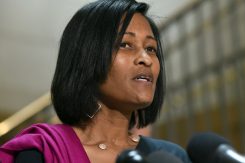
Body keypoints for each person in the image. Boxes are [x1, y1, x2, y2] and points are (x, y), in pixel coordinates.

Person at [0, 0, 191, 163]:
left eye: (151, 49)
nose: (146, 59)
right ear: (86, 57)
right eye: (125, 44)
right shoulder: (43, 151)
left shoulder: (172, 156)